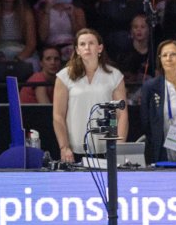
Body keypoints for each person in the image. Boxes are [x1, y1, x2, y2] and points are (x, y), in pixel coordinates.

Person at [53, 29, 127, 161]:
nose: (87, 47)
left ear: (100, 48)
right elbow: (58, 116)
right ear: (77, 50)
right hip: (75, 149)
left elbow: (122, 114)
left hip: (107, 148)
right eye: (82, 44)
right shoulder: (64, 76)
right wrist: (64, 147)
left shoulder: (114, 75)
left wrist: (119, 147)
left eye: (91, 43)